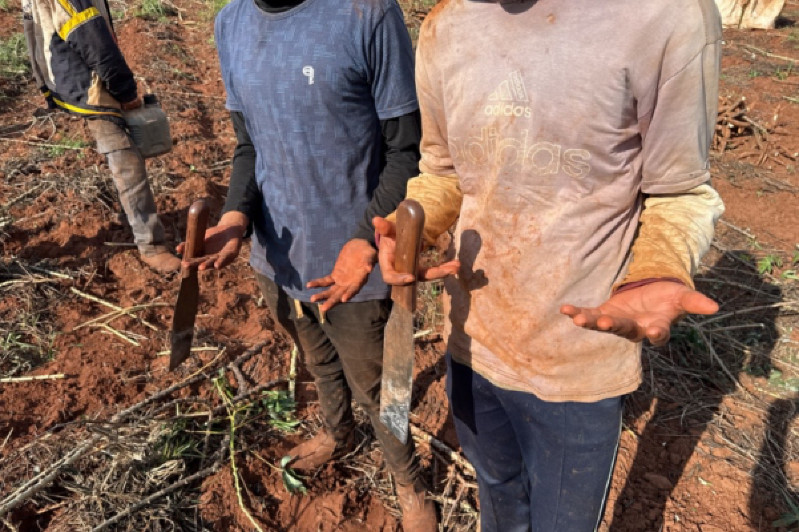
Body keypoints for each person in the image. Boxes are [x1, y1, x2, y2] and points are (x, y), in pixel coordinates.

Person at [373, 0, 726, 530]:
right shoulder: (446, 23)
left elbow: (679, 192)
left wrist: (659, 267)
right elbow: (444, 171)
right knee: (496, 491)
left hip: (575, 359)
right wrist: (410, 230)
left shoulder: (664, 15)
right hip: (474, 339)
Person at [186, 0, 436, 529]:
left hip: (356, 263)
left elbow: (406, 151)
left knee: (379, 385)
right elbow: (249, 145)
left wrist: (362, 236)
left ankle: (408, 477)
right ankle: (336, 431)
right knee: (316, 356)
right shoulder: (230, 23)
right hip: (279, 256)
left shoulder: (366, 13)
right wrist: (235, 216)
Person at [21, 0, 180, 272]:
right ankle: (151, 246)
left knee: (121, 158)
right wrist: (125, 91)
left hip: (75, 80)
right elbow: (91, 38)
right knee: (126, 162)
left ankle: (132, 221)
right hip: (92, 86)